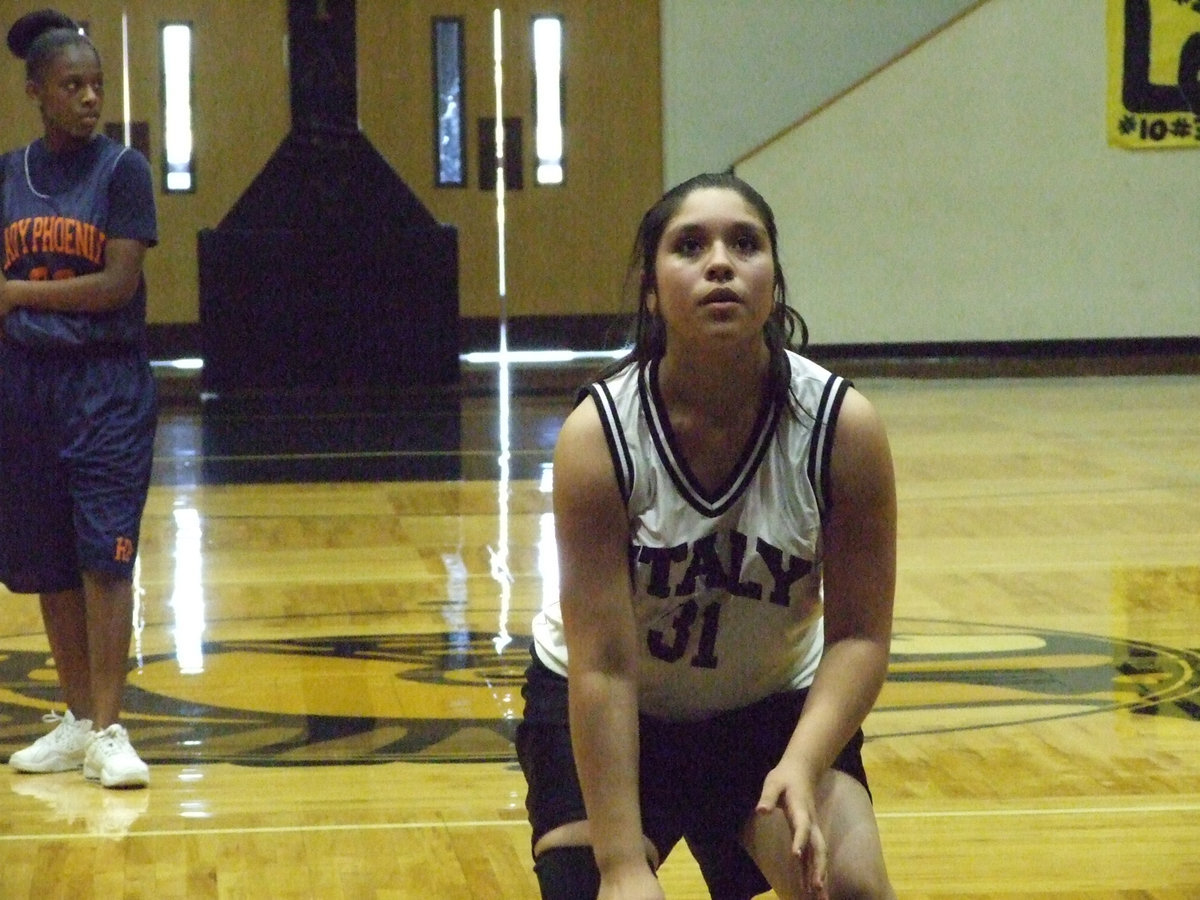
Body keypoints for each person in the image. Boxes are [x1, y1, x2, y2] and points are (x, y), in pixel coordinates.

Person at [516, 172, 897, 899]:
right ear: (653, 291)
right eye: (690, 246)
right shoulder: (599, 438)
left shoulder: (842, 429)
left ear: (774, 282)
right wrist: (622, 863)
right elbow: (602, 665)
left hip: (766, 710)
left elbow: (858, 640)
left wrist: (800, 765)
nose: (719, 262)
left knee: (849, 888)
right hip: (618, 712)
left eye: (744, 244)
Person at [2, 9, 158, 789]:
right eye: (73, 86)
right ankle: (72, 721)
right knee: (50, 560)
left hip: (105, 387)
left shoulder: (121, 171)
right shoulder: (7, 175)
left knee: (104, 557)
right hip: (23, 389)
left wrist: (14, 295)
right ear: (38, 93)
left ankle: (110, 727)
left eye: (97, 84)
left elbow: (117, 285)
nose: (90, 98)